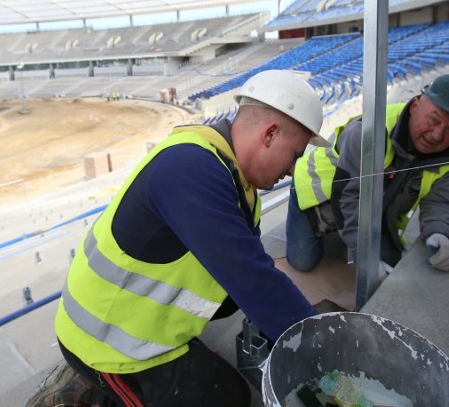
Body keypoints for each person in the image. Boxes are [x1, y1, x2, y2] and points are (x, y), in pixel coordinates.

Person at [28, 70, 328, 407]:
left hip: (146, 330)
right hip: (106, 345)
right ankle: (86, 395)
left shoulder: (239, 182)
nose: (292, 169)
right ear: (270, 134)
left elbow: (248, 277)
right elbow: (254, 280)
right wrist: (326, 347)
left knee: (229, 393)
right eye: (295, 155)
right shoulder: (189, 168)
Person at [286, 72, 449, 277]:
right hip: (316, 195)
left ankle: (344, 235)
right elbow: (349, 198)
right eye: (434, 120)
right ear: (415, 105)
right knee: (303, 263)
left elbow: (440, 202)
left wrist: (440, 232)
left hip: (373, 209)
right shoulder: (368, 133)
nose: (437, 135)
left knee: (390, 268)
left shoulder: (446, 157)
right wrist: (366, 256)